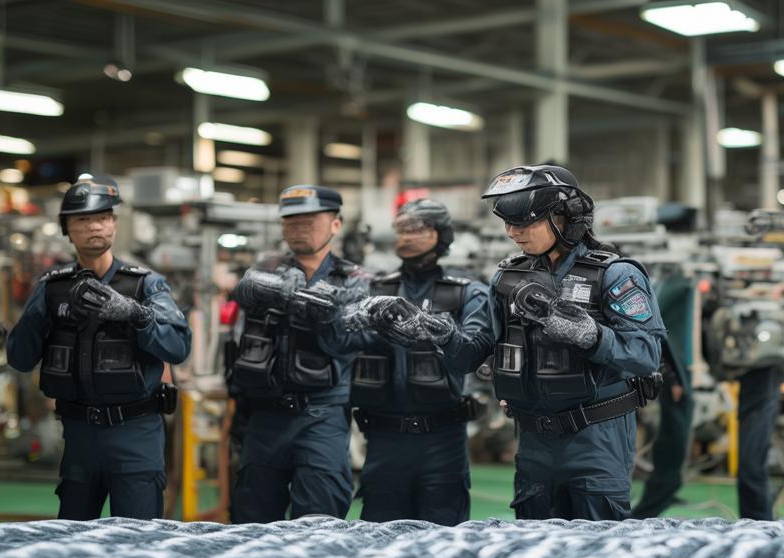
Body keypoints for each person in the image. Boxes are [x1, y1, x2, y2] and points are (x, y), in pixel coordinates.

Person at [386, 164, 665, 520]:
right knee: (533, 543)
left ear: (566, 216)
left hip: (596, 440)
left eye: (524, 222)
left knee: (598, 540)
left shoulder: (615, 275)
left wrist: (593, 336)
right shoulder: (507, 277)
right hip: (533, 444)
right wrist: (439, 333)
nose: (512, 232)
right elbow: (474, 352)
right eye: (507, 223)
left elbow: (646, 354)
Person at [7, 174, 191, 520]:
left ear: (114, 225)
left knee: (137, 538)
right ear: (67, 229)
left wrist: (137, 315)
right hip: (79, 437)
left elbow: (179, 346)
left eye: (103, 218)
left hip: (135, 434)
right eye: (83, 219)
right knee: (74, 537)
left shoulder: (145, 285)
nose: (95, 226)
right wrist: (46, 309)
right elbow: (19, 357)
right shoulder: (52, 288)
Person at [227, 184, 369, 522]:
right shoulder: (262, 273)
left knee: (319, 521)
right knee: (252, 522)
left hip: (321, 416)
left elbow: (355, 341)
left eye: (309, 221)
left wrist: (323, 314)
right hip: (263, 417)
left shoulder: (354, 281)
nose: (299, 228)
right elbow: (238, 333)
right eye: (291, 222)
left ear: (335, 224)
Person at [345, 199, 489, 525]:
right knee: (378, 537)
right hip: (383, 440)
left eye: (419, 230)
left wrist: (442, 334)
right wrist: (348, 319)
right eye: (402, 230)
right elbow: (336, 344)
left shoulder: (468, 292)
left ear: (441, 235)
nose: (408, 237)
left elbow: (473, 354)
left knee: (444, 537)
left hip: (443, 441)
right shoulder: (371, 290)